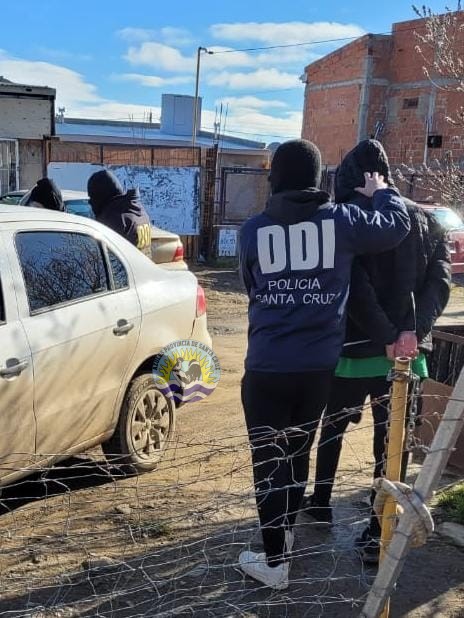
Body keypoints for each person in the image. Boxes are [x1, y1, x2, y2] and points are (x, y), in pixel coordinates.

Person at [238, 139, 411, 590]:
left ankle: (276, 562)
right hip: (317, 368)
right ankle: (285, 541)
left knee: (268, 464)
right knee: (297, 455)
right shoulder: (342, 220)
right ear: (318, 179)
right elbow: (395, 227)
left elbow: (250, 285)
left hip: (267, 365)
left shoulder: (253, 229)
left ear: (276, 176)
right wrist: (382, 190)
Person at [303, 139, 451, 564]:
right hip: (407, 355)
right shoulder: (424, 217)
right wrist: (410, 334)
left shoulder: (350, 219)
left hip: (353, 351)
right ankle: (377, 528)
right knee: (391, 443)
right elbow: (440, 284)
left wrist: (385, 334)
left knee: (332, 428)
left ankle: (320, 500)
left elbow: (355, 288)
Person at [87, 170, 152, 258]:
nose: (90, 202)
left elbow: (105, 258)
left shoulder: (114, 220)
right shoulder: (138, 210)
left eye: (92, 197)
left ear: (101, 194)